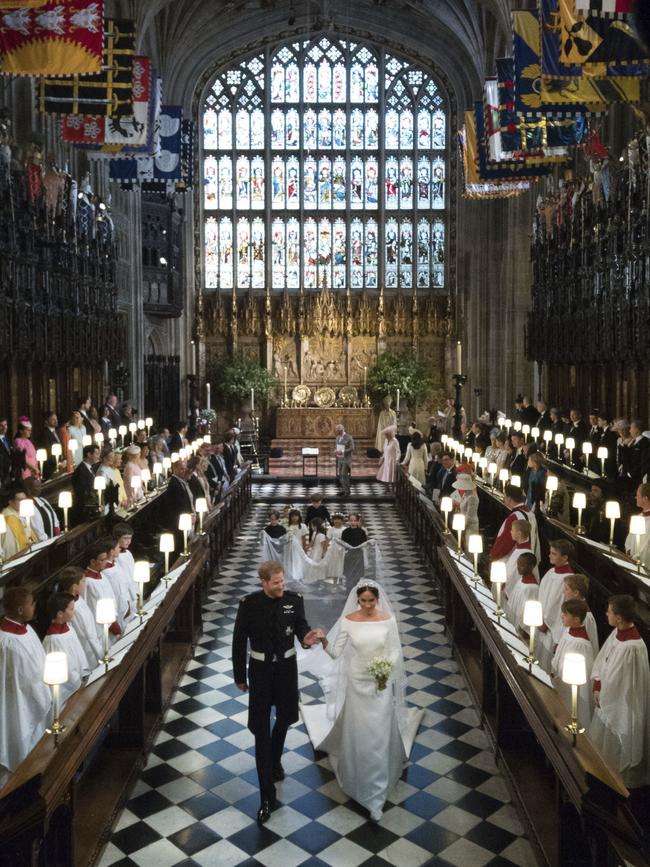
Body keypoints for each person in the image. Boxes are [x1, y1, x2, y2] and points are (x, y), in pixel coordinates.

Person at [305, 581, 422, 822]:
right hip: (357, 681)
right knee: (360, 731)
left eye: (371, 601)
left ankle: (377, 791)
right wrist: (325, 641)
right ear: (357, 600)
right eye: (363, 601)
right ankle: (358, 778)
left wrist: (385, 671)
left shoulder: (387, 620)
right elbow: (337, 653)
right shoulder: (349, 620)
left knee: (379, 731)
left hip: (380, 681)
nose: (367, 605)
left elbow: (394, 651)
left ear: (377, 600)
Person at [232, 560, 323, 824]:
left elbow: (301, 626)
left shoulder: (294, 600)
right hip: (260, 673)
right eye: (276, 583)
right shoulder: (249, 605)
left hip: (286, 670)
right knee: (260, 731)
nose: (282, 586)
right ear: (263, 582)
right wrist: (240, 675)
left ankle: (275, 758)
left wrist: (306, 637)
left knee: (285, 718)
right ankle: (266, 797)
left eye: (283, 581)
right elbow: (239, 641)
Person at [589, 595, 650, 788]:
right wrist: (598, 682)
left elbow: (621, 682)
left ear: (620, 618)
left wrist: (603, 692)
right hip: (607, 696)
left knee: (615, 748)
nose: (606, 614)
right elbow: (603, 660)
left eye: (610, 611)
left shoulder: (632, 647)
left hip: (622, 704)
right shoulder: (618, 633)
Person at [0, 586, 52, 772]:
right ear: (21, 610)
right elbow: (27, 680)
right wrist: (45, 697)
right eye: (32, 604)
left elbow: (39, 661)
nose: (34, 607)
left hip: (30, 693)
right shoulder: (9, 642)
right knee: (23, 744)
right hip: (19, 702)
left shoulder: (26, 629)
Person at [551, 599, 594, 726]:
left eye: (565, 614)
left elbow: (576, 670)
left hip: (571, 687)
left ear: (576, 619)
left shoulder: (581, 643)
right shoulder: (569, 631)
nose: (561, 616)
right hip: (559, 680)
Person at [535, 539, 576, 672]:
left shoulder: (569, 579)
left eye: (554, 554)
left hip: (553, 628)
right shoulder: (551, 572)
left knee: (546, 666)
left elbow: (558, 605)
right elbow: (542, 596)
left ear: (565, 557)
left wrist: (546, 622)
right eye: (550, 552)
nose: (549, 555)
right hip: (542, 622)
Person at [42, 592, 89, 704]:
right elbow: (66, 668)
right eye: (71, 609)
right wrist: (78, 682)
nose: (74, 611)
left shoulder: (68, 627)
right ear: (60, 614)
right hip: (67, 690)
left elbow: (78, 652)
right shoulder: (54, 640)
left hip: (80, 680)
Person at [58, 566, 103, 670]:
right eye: (83, 581)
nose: (85, 583)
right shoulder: (74, 607)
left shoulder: (77, 600)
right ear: (74, 587)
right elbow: (89, 635)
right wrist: (102, 656)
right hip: (90, 653)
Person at [489, 484, 540, 563]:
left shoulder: (515, 517)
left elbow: (505, 542)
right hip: (528, 559)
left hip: (514, 560)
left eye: (505, 496)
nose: (503, 498)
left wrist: (493, 555)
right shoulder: (531, 515)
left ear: (509, 498)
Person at [83, 540, 121, 642]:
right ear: (92, 561)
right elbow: (96, 608)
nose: (105, 562)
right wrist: (113, 625)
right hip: (103, 627)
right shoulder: (89, 583)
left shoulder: (102, 575)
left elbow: (112, 597)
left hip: (112, 619)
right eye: (102, 560)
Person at [563, 573, 599, 655]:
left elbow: (589, 644)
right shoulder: (572, 608)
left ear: (576, 593)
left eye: (566, 589)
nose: (563, 592)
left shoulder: (586, 617)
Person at [505, 551, 539, 631]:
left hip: (520, 627)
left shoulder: (532, 588)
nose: (518, 567)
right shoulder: (521, 580)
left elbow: (529, 614)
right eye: (518, 564)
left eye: (522, 565)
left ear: (531, 567)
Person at [1, 485, 37, 558]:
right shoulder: (8, 519)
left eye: (25, 499)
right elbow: (9, 548)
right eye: (20, 500)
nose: (23, 502)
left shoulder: (19, 515)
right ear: (10, 501)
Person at [71, 444, 100, 524]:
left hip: (92, 507)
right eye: (96, 454)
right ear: (89, 454)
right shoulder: (80, 471)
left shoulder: (91, 467)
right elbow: (82, 492)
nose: (98, 456)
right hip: (85, 511)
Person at [625, 483, 650, 571]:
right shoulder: (638, 517)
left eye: (638, 495)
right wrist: (629, 551)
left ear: (645, 499)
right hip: (632, 564)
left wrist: (635, 558)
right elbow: (629, 539)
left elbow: (646, 547)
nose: (635, 497)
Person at [342, 512, 367, 590]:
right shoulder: (345, 532)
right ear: (348, 521)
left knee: (357, 576)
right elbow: (343, 544)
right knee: (348, 576)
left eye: (354, 521)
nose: (353, 522)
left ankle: (356, 591)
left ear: (357, 521)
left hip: (358, 556)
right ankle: (348, 592)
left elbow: (364, 543)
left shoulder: (362, 532)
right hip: (349, 556)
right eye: (351, 520)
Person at [39, 411, 65, 481]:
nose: (56, 421)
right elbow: (48, 451)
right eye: (53, 419)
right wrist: (57, 463)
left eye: (56, 419)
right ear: (47, 421)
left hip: (59, 464)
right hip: (50, 467)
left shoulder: (56, 431)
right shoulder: (44, 434)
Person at [376, 425, 400, 489]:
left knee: (392, 475)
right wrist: (382, 458)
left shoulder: (395, 441)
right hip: (387, 460)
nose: (385, 436)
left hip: (392, 460)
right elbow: (385, 450)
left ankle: (393, 488)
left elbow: (398, 451)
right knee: (385, 474)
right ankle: (387, 488)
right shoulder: (386, 441)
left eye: (386, 435)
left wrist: (397, 460)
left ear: (390, 434)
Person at [335, 423, 354, 496]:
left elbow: (352, 448)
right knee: (340, 475)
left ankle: (347, 491)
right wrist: (336, 451)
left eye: (338, 431)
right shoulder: (337, 438)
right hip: (340, 459)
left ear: (342, 430)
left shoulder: (349, 437)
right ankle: (343, 490)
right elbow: (337, 447)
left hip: (346, 459)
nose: (337, 432)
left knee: (344, 475)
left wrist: (343, 451)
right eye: (337, 431)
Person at [326, 512, 346, 580]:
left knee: (341, 563)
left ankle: (340, 579)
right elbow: (328, 539)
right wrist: (325, 549)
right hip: (333, 548)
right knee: (334, 564)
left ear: (342, 520)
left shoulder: (344, 529)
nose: (336, 521)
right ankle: (334, 580)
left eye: (338, 519)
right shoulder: (331, 529)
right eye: (335, 519)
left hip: (342, 548)